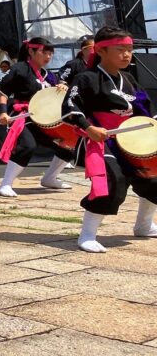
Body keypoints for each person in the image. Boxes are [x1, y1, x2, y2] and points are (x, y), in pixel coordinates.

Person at [61, 27, 157, 252]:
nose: (127, 54)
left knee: (154, 178)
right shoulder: (86, 78)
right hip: (100, 140)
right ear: (101, 51)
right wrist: (88, 127)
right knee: (113, 181)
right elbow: (69, 106)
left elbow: (146, 109)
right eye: (120, 49)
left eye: (130, 49)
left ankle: (144, 226)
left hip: (130, 140)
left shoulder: (129, 79)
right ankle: (86, 235)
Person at [0, 37, 72, 198]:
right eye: (44, 52)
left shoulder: (49, 75)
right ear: (31, 51)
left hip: (45, 120)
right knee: (27, 146)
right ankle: (6, 183)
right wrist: (2, 112)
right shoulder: (20, 69)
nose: (48, 56)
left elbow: (55, 96)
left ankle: (49, 178)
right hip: (24, 116)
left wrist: (62, 87)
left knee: (69, 144)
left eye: (51, 53)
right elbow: (2, 91)